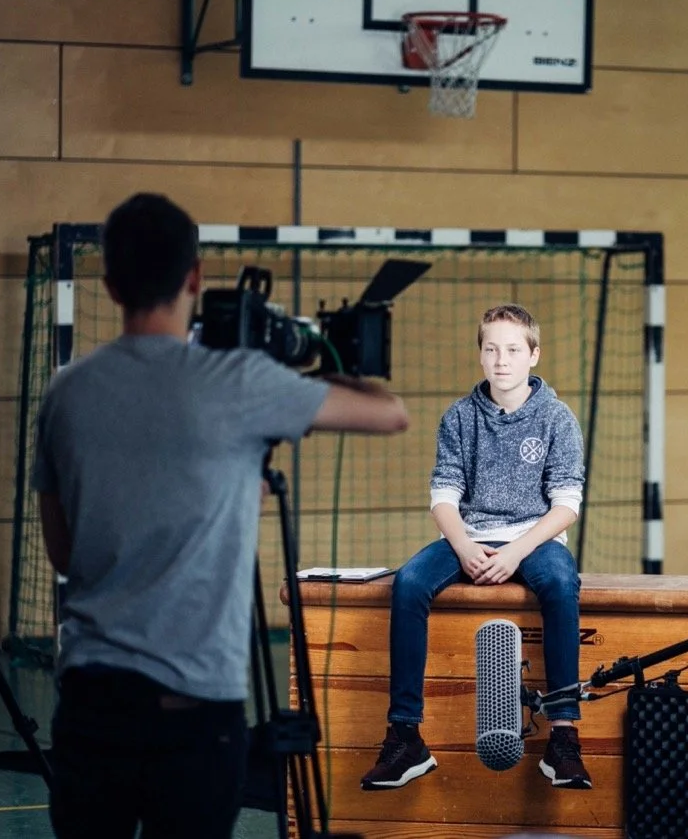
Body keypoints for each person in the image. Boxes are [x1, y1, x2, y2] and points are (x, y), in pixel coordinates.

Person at [32, 193, 410, 839]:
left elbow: (66, 553)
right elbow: (389, 411)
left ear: (110, 284)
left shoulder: (67, 391)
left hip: (91, 703)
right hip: (196, 707)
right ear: (195, 277)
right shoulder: (239, 381)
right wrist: (309, 349)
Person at [360, 304, 590, 792]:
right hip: (470, 535)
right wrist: (463, 545)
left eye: (512, 350)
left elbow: (566, 504)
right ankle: (405, 738)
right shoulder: (460, 417)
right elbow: (443, 495)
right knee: (409, 583)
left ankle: (564, 737)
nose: (502, 360)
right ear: (480, 357)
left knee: (562, 583)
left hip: (534, 538)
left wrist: (515, 553)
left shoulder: (557, 417)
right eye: (492, 350)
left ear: (533, 355)